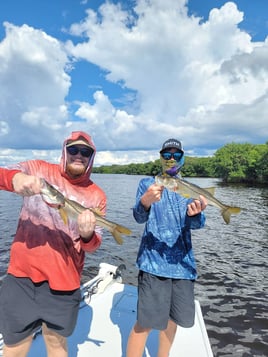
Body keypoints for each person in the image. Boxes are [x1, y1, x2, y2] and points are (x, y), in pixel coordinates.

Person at [0, 131, 106, 357]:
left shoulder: (97, 195)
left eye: (85, 152)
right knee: (14, 347)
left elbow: (93, 244)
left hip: (64, 283)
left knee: (56, 343)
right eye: (73, 149)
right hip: (21, 278)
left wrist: (87, 236)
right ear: (64, 151)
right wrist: (15, 179)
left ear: (91, 157)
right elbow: (4, 174)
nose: (79, 155)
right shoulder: (38, 169)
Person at [126, 138, 208, 357]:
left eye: (176, 155)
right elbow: (138, 217)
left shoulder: (190, 189)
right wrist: (145, 202)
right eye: (166, 154)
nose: (171, 158)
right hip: (153, 265)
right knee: (145, 323)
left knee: (173, 320)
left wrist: (196, 215)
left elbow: (198, 224)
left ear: (183, 158)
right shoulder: (147, 184)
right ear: (160, 157)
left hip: (183, 266)